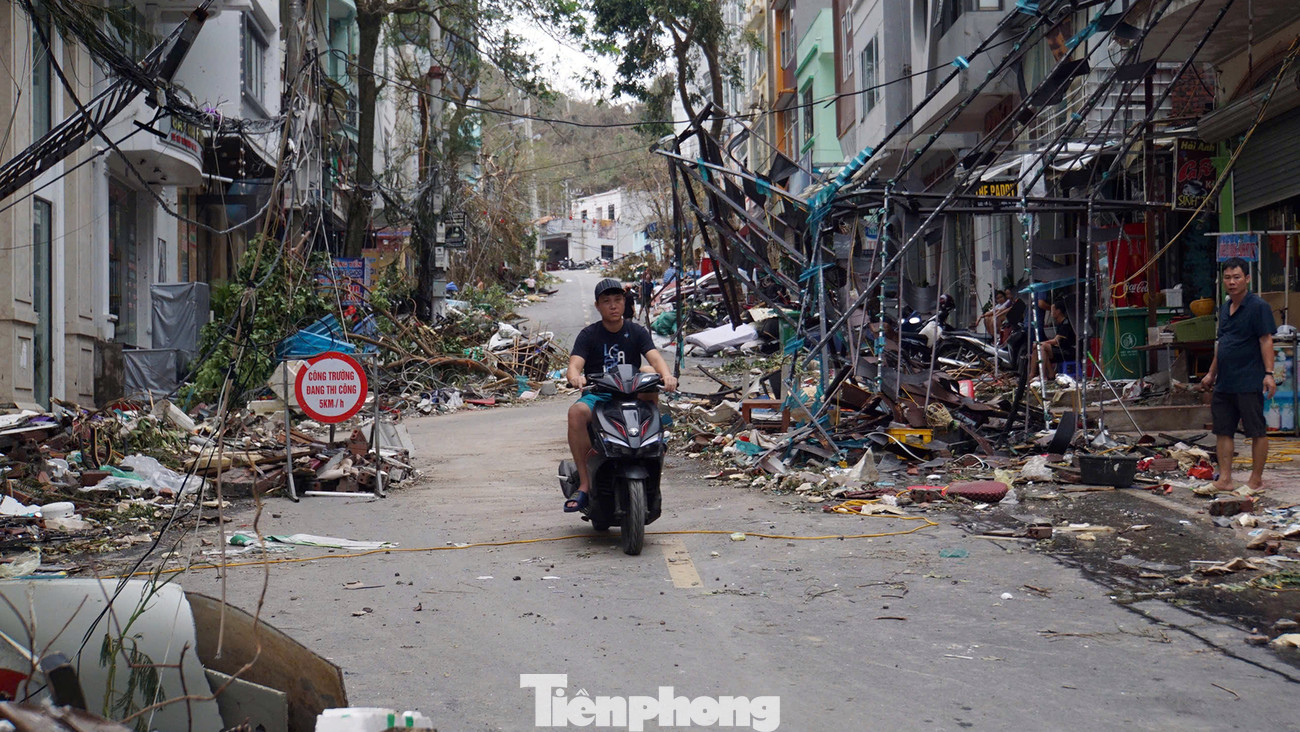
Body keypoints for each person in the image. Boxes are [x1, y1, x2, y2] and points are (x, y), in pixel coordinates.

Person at [564, 278, 678, 511]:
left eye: (618, 300)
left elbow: (655, 359)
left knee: (648, 372)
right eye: (607, 301)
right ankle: (585, 484)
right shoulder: (589, 334)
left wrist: (667, 376)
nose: (613, 306)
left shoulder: (636, 331)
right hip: (601, 395)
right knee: (576, 412)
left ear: (625, 303)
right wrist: (575, 377)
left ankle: (653, 445)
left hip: (632, 393)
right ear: (598, 306)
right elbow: (574, 365)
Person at [1200, 257, 1277, 491]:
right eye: (1227, 278)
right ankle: (1225, 479)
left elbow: (1266, 340)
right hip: (1225, 381)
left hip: (1248, 379)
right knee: (1223, 430)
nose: (1232, 282)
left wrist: (1269, 373)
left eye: (1236, 277)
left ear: (1247, 279)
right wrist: (1211, 373)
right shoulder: (1225, 308)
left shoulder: (1258, 307)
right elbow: (1222, 344)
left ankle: (1255, 480)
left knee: (1255, 430)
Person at [1028, 297, 1076, 380]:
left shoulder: (1066, 323)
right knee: (1039, 349)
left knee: (1041, 347)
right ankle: (1047, 374)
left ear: (1058, 311)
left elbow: (1055, 341)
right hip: (1060, 349)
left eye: (1052, 310)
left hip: (1067, 351)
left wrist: (1039, 343)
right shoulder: (1059, 323)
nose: (1051, 312)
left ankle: (1042, 375)